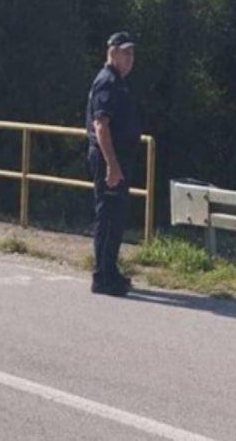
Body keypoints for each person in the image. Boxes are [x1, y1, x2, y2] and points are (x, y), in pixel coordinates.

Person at [86, 32, 142, 296]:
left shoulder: (119, 81)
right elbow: (101, 126)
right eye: (125, 52)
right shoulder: (107, 82)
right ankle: (102, 277)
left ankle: (110, 270)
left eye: (132, 53)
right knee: (108, 218)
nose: (130, 58)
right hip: (110, 159)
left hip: (119, 159)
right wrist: (112, 165)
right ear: (112, 52)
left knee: (116, 218)